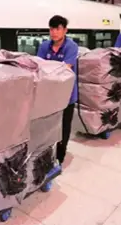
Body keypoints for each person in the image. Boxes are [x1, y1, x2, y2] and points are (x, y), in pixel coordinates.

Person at [36, 15, 78, 165]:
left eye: (58, 29)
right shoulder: (44, 46)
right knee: (47, 125)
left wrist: (48, 70)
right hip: (49, 94)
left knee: (64, 126)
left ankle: (60, 155)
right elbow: (38, 66)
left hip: (67, 95)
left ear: (65, 30)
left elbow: (66, 69)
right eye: (51, 29)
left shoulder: (71, 46)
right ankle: (46, 154)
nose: (54, 32)